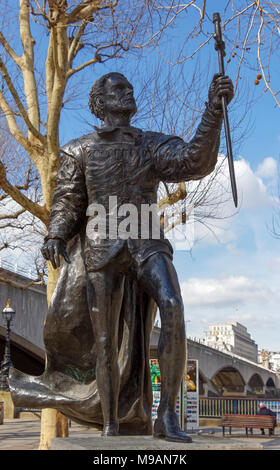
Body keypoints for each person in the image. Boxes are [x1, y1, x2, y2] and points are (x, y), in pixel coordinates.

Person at [9, 72, 233, 442]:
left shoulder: (150, 144)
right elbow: (68, 200)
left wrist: (213, 110)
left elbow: (195, 160)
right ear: (101, 102)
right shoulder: (79, 150)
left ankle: (166, 417)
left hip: (146, 241)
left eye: (130, 87)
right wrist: (55, 234)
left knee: (173, 307)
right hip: (102, 248)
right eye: (118, 88)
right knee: (104, 341)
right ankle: (111, 423)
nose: (129, 91)